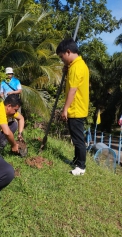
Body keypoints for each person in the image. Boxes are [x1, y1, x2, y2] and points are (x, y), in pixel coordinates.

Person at [56, 38, 89, 176]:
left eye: (62, 57)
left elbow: (72, 90)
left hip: (75, 109)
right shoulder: (78, 65)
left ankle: (81, 167)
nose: (62, 60)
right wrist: (67, 68)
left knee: (78, 139)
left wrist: (65, 109)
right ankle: (76, 160)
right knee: (76, 138)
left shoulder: (76, 67)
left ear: (68, 52)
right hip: (78, 108)